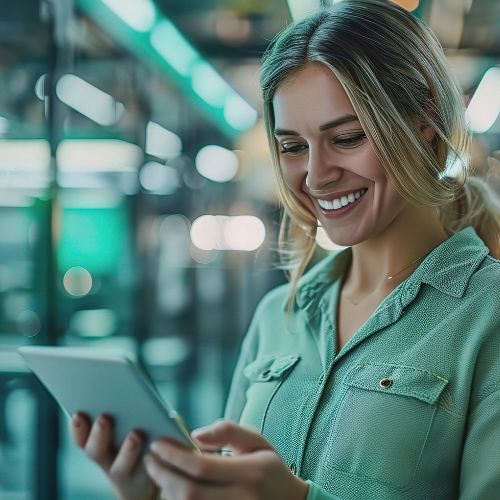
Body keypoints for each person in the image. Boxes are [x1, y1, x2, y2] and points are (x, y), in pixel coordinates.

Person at [71, 0, 500, 498]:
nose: (316, 176)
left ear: (425, 128)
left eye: (346, 137)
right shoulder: (280, 313)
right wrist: (156, 490)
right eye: (293, 147)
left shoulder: (486, 318)